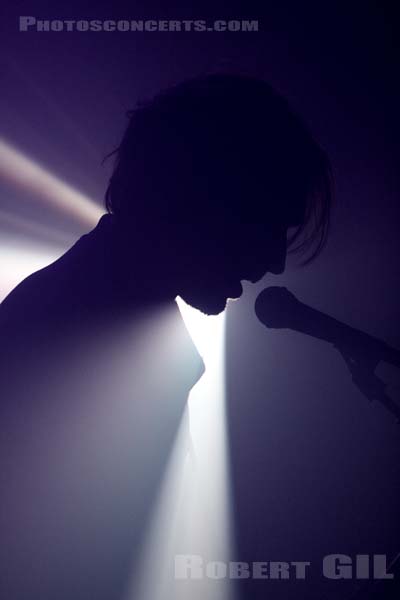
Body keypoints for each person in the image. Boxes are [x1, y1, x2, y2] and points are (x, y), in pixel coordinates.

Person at [0, 73, 332, 599]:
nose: (274, 261)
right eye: (267, 223)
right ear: (200, 198)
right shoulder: (64, 337)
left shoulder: (88, 318)